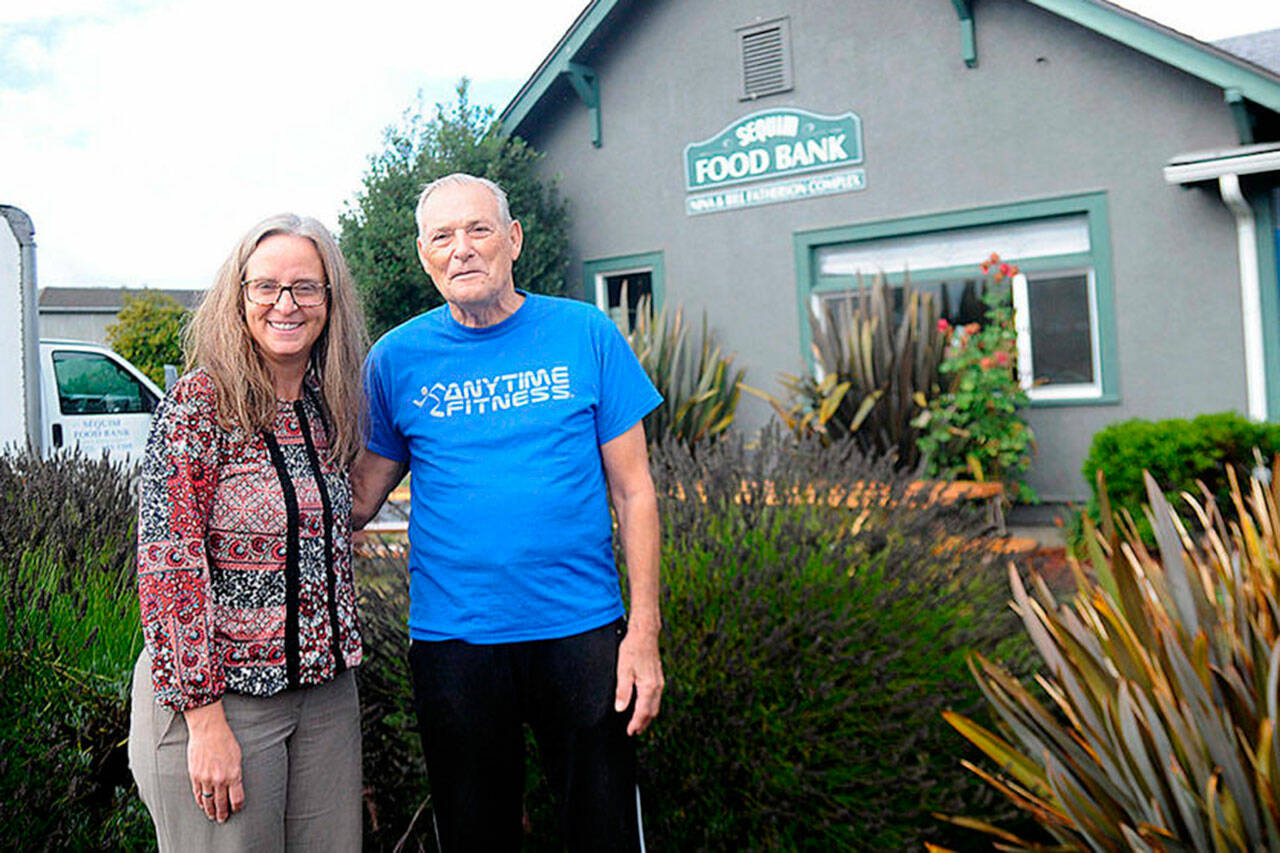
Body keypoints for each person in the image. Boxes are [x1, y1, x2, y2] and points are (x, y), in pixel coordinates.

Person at [352, 173, 664, 851]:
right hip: (455, 643)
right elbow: (355, 499)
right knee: (475, 835)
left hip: (581, 630)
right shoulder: (395, 360)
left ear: (513, 239)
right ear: (423, 255)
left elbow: (636, 491)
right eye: (442, 236)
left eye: (478, 229)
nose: (461, 249)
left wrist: (642, 634)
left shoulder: (583, 332)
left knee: (604, 830)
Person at [128, 213, 369, 851]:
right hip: (222, 704)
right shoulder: (197, 407)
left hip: (324, 699)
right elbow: (168, 564)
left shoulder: (326, 406)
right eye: (265, 287)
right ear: (238, 298)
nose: (285, 304)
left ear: (329, 300)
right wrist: (204, 720)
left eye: (305, 288)